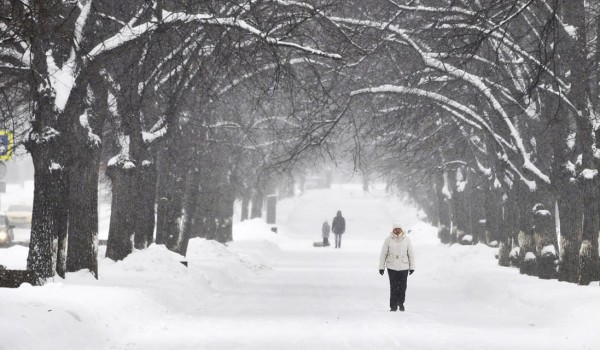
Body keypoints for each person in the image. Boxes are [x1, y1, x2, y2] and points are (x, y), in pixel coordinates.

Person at [379, 222, 415, 312]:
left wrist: (412, 267)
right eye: (396, 229)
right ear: (393, 230)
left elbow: (411, 254)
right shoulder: (388, 240)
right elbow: (383, 254)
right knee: (393, 286)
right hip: (392, 267)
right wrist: (381, 267)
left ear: (402, 230)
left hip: (404, 266)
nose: (397, 231)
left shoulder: (407, 240)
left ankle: (401, 302)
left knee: (403, 286)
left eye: (399, 229)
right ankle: (393, 305)